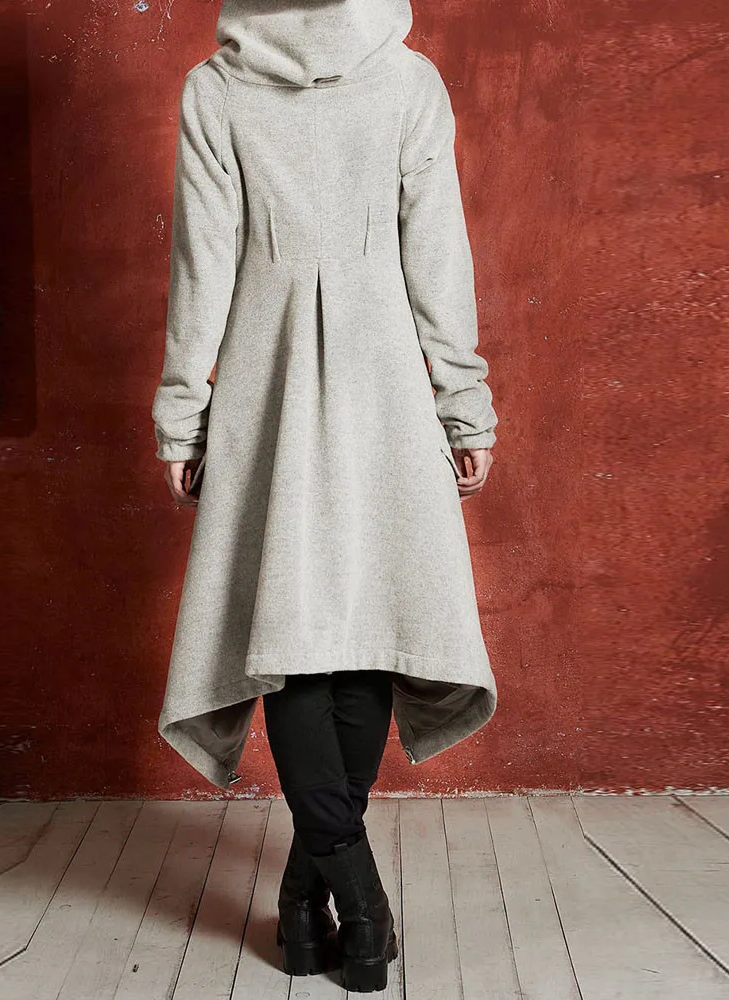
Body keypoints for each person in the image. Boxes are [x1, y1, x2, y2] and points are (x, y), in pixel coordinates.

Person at [151, 0, 499, 991]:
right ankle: (359, 899)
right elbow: (438, 255)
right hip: (384, 380)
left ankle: (312, 902)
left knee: (296, 626)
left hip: (263, 385)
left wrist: (184, 414)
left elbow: (202, 265)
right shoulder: (408, 79)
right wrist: (462, 403)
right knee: (367, 620)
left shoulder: (216, 88)